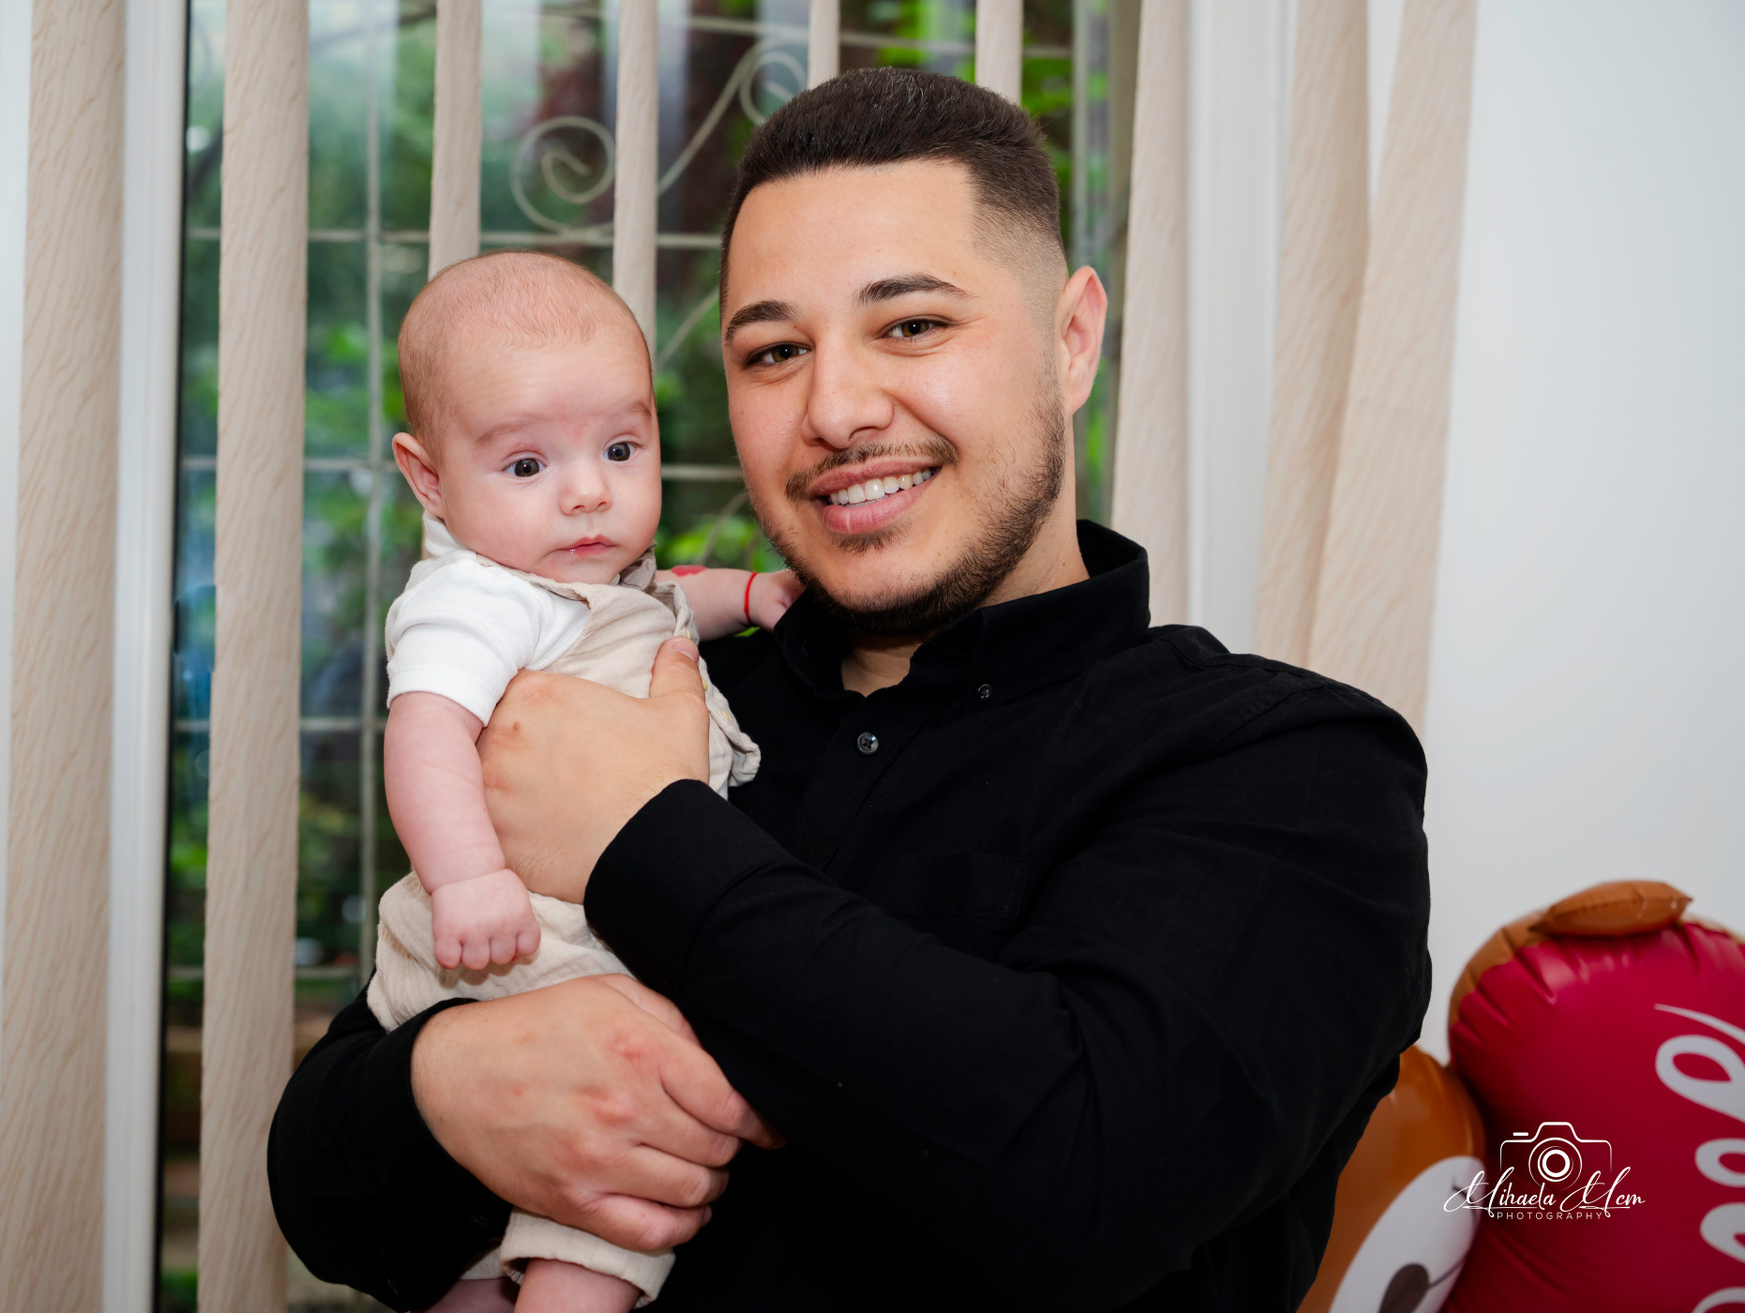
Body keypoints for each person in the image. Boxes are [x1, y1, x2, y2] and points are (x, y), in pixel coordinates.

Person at [270, 68, 1431, 1312]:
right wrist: (448, 1083)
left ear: (1072, 338)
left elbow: (1090, 1183)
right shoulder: (637, 679)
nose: (834, 408)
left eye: (913, 325)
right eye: (775, 351)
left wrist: (646, 837)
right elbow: (320, 1189)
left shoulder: (1290, 765)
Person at [370, 250, 797, 1312]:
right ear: (429, 478)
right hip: (531, 940)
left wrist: (749, 594)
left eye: (620, 447)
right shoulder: (475, 599)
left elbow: (669, 600)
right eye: (527, 464)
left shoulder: (583, 579)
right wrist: (469, 878)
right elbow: (424, 734)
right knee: (614, 1190)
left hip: (557, 938)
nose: (588, 491)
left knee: (483, 1241)